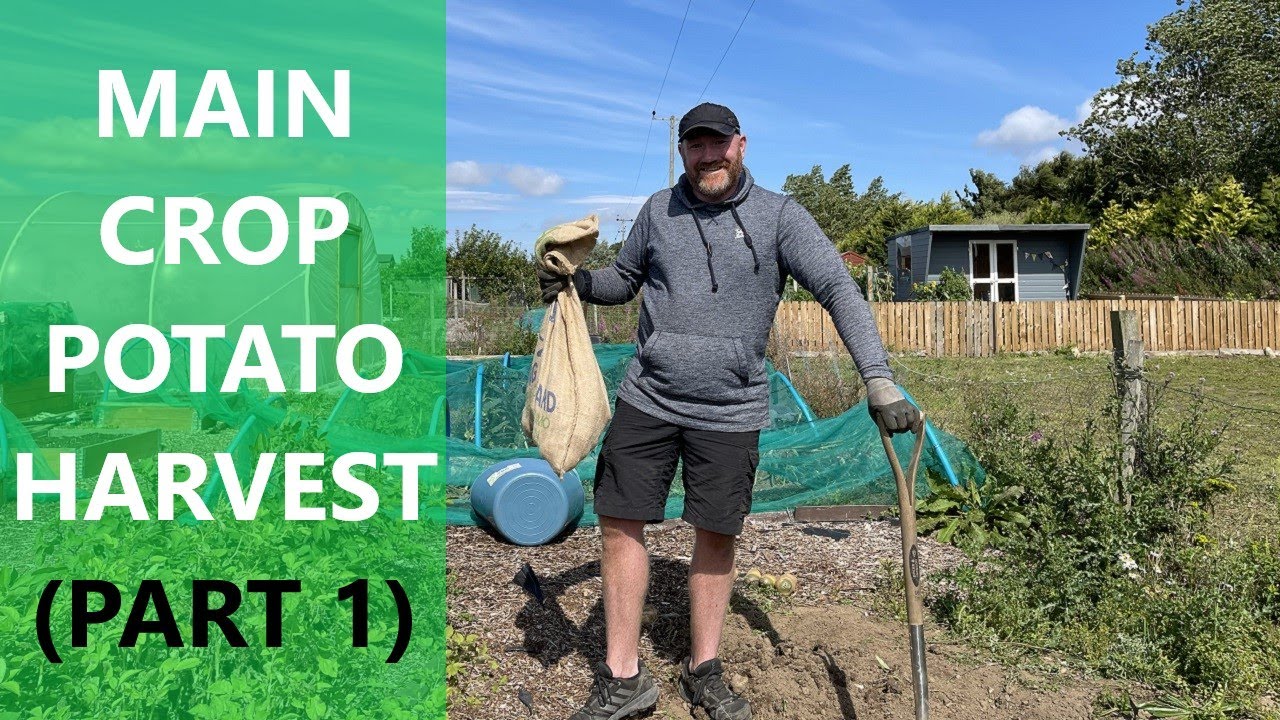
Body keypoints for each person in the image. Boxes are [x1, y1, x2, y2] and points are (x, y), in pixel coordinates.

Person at [539, 102, 920, 720]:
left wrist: (878, 380)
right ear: (683, 152)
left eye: (717, 144)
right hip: (649, 396)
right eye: (695, 146)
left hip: (731, 408)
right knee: (619, 522)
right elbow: (625, 280)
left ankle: (704, 669)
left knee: (716, 532)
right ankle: (623, 677)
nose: (707, 156)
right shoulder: (658, 211)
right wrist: (579, 283)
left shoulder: (780, 217)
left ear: (740, 145)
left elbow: (838, 288)